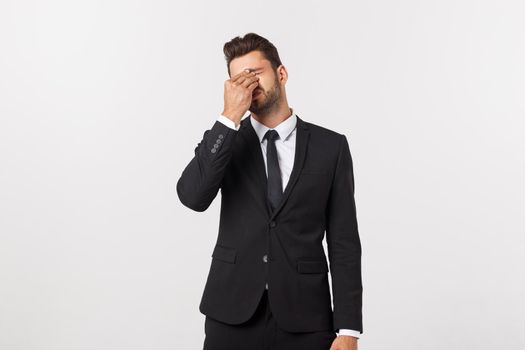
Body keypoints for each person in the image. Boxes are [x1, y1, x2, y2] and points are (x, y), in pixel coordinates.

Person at [177, 32, 363, 350]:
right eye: (239, 79)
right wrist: (229, 117)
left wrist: (348, 329)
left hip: (306, 318)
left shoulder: (331, 147)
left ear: (281, 74)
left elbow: (344, 242)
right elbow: (193, 196)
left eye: (255, 73)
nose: (249, 84)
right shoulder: (223, 141)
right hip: (231, 314)